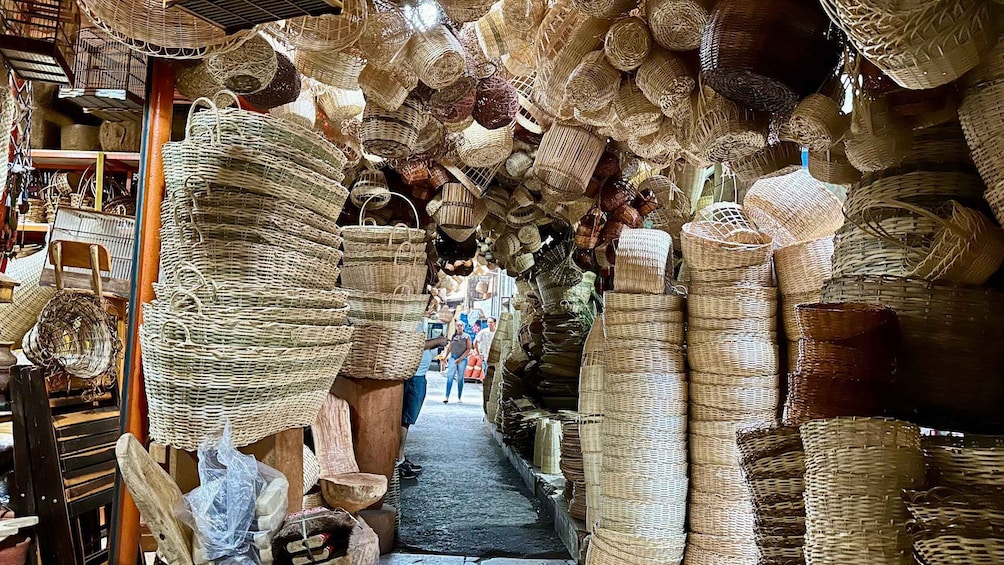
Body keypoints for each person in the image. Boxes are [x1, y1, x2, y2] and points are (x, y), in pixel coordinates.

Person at [398, 317, 449, 480]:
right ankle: (398, 461)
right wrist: (436, 341)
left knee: (407, 420)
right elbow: (413, 345)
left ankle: (401, 457)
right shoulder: (409, 320)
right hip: (414, 377)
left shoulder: (417, 320)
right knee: (405, 419)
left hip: (417, 376)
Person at [443, 321, 472, 404]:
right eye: (458, 325)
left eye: (461, 325)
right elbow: (450, 347)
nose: (459, 327)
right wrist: (445, 357)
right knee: (450, 376)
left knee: (460, 378)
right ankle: (446, 396)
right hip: (453, 357)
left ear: (463, 327)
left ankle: (459, 396)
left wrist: (461, 358)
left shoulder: (467, 337)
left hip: (462, 359)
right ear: (455, 327)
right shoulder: (453, 336)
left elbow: (468, 349)